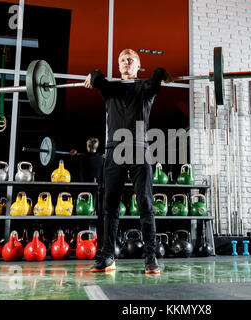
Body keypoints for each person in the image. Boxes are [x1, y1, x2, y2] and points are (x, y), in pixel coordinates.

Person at [84, 48, 173, 274]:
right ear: (119, 65)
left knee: (145, 204)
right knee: (109, 206)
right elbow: (97, 78)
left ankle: (150, 258)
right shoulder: (111, 89)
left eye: (131, 60)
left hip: (139, 150)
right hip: (114, 150)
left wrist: (161, 72)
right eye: (123, 60)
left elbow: (155, 80)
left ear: (137, 66)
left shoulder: (144, 89)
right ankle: (107, 257)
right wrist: (92, 76)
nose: (127, 62)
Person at [70, 137, 105, 254]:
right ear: (96, 147)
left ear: (88, 147)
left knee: (83, 217)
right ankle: (98, 245)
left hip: (84, 193)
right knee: (98, 217)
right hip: (97, 192)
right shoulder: (101, 159)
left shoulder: (81, 158)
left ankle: (83, 244)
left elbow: (73, 166)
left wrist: (73, 155)